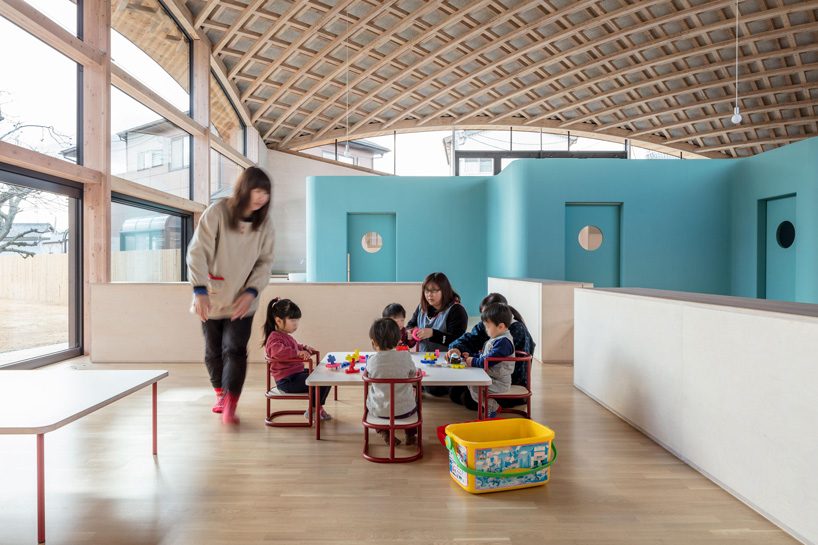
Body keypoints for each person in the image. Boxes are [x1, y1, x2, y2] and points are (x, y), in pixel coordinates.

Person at [187, 166, 274, 425]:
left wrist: (251, 292)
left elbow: (265, 263)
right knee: (213, 351)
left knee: (235, 350)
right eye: (256, 190)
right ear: (244, 188)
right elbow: (197, 252)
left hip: (243, 301)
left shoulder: (264, 224)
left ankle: (231, 403)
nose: (261, 197)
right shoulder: (217, 213)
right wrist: (200, 290)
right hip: (212, 295)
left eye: (265, 193)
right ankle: (220, 394)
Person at [447, 293, 535, 409]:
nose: (485, 324)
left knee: (468, 398)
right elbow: (469, 339)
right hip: (490, 374)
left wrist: (475, 363)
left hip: (505, 381)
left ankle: (493, 408)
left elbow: (515, 369)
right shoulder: (489, 324)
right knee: (455, 391)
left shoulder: (515, 331)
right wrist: (456, 348)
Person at [264, 298, 332, 421]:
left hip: (295, 375)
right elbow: (279, 352)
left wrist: (304, 348)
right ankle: (313, 410)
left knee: (325, 376)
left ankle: (317, 407)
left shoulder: (285, 337)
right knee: (319, 381)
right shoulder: (274, 338)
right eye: (292, 320)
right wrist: (298, 353)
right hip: (287, 381)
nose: (296, 324)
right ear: (278, 321)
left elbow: (294, 346)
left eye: (297, 320)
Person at [406, 272, 467, 396]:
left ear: (444, 291)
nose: (429, 295)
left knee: (434, 390)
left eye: (434, 291)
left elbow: (458, 341)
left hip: (445, 361)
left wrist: (433, 334)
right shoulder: (421, 308)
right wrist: (411, 332)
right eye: (426, 291)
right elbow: (410, 325)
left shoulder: (456, 310)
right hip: (424, 359)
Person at [365, 318, 418, 446]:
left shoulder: (372, 360)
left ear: (373, 342)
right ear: (399, 340)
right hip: (406, 411)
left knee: (371, 400)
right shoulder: (405, 356)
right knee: (412, 398)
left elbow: (370, 377)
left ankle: (385, 432)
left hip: (380, 412)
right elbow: (412, 374)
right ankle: (410, 434)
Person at [465, 303, 516, 419]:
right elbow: (484, 355)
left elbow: (488, 360)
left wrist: (473, 361)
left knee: (474, 386)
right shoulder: (496, 339)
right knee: (472, 383)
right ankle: (491, 406)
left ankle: (492, 406)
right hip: (491, 377)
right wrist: (472, 356)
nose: (486, 329)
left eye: (488, 326)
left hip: (500, 382)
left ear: (501, 327)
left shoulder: (504, 342)